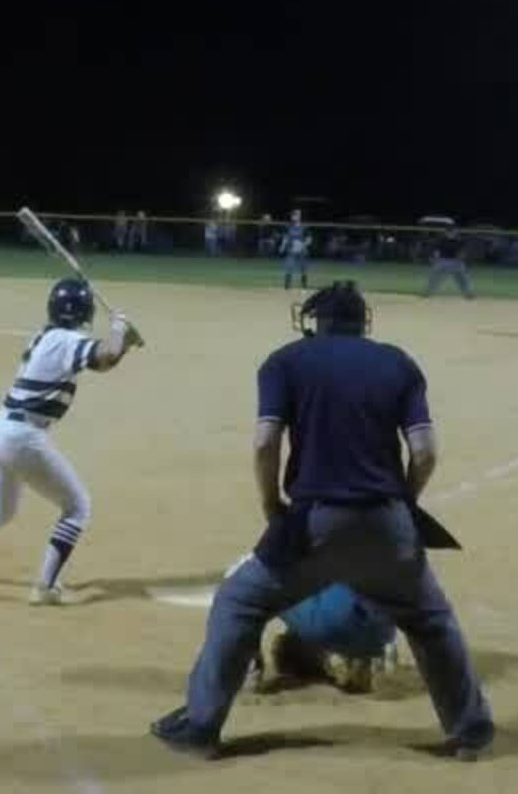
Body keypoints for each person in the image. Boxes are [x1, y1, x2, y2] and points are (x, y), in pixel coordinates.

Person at [150, 282, 493, 761]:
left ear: (315, 322)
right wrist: (402, 503)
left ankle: (201, 726)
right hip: (389, 522)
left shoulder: (285, 361)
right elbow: (425, 452)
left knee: (239, 601)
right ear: (362, 322)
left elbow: (265, 443)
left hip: (315, 523)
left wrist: (271, 505)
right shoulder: (398, 363)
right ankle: (469, 731)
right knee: (431, 621)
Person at [0, 279, 142, 605]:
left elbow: (105, 357)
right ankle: (45, 587)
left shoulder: (47, 337)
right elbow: (105, 356)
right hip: (22, 438)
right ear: (85, 312)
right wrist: (120, 329)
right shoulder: (67, 340)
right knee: (77, 507)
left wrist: (124, 341)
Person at [224, 554, 402, 695]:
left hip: (333, 620)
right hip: (381, 626)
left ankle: (247, 669)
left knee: (240, 573)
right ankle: (369, 658)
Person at [422, 225, 475, 300]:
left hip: (453, 262)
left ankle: (468, 294)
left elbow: (463, 252)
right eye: (450, 231)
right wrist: (434, 258)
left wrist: (461, 259)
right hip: (445, 261)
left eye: (453, 231)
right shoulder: (444, 240)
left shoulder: (457, 240)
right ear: (446, 232)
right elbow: (436, 251)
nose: (452, 233)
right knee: (435, 278)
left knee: (461, 279)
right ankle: (427, 293)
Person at [280, 210, 310, 291]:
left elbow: (309, 239)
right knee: (289, 266)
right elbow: (286, 238)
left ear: (299, 217)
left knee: (303, 268)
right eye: (293, 215)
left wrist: (303, 245)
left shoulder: (304, 227)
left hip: (302, 250)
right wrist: (282, 246)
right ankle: (287, 287)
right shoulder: (289, 227)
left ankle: (304, 287)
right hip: (291, 250)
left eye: (296, 215)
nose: (294, 217)